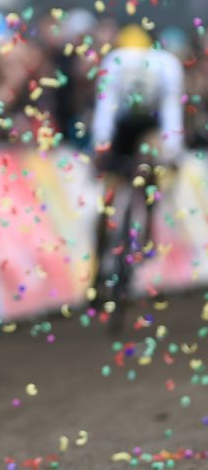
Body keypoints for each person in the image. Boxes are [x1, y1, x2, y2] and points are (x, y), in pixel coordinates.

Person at [89, 24, 185, 286]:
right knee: (151, 167)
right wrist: (173, 151)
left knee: (108, 196)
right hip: (148, 128)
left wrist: (101, 144)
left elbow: (105, 105)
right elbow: (171, 109)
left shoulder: (114, 60)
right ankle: (148, 230)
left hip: (122, 128)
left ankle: (99, 256)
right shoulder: (166, 63)